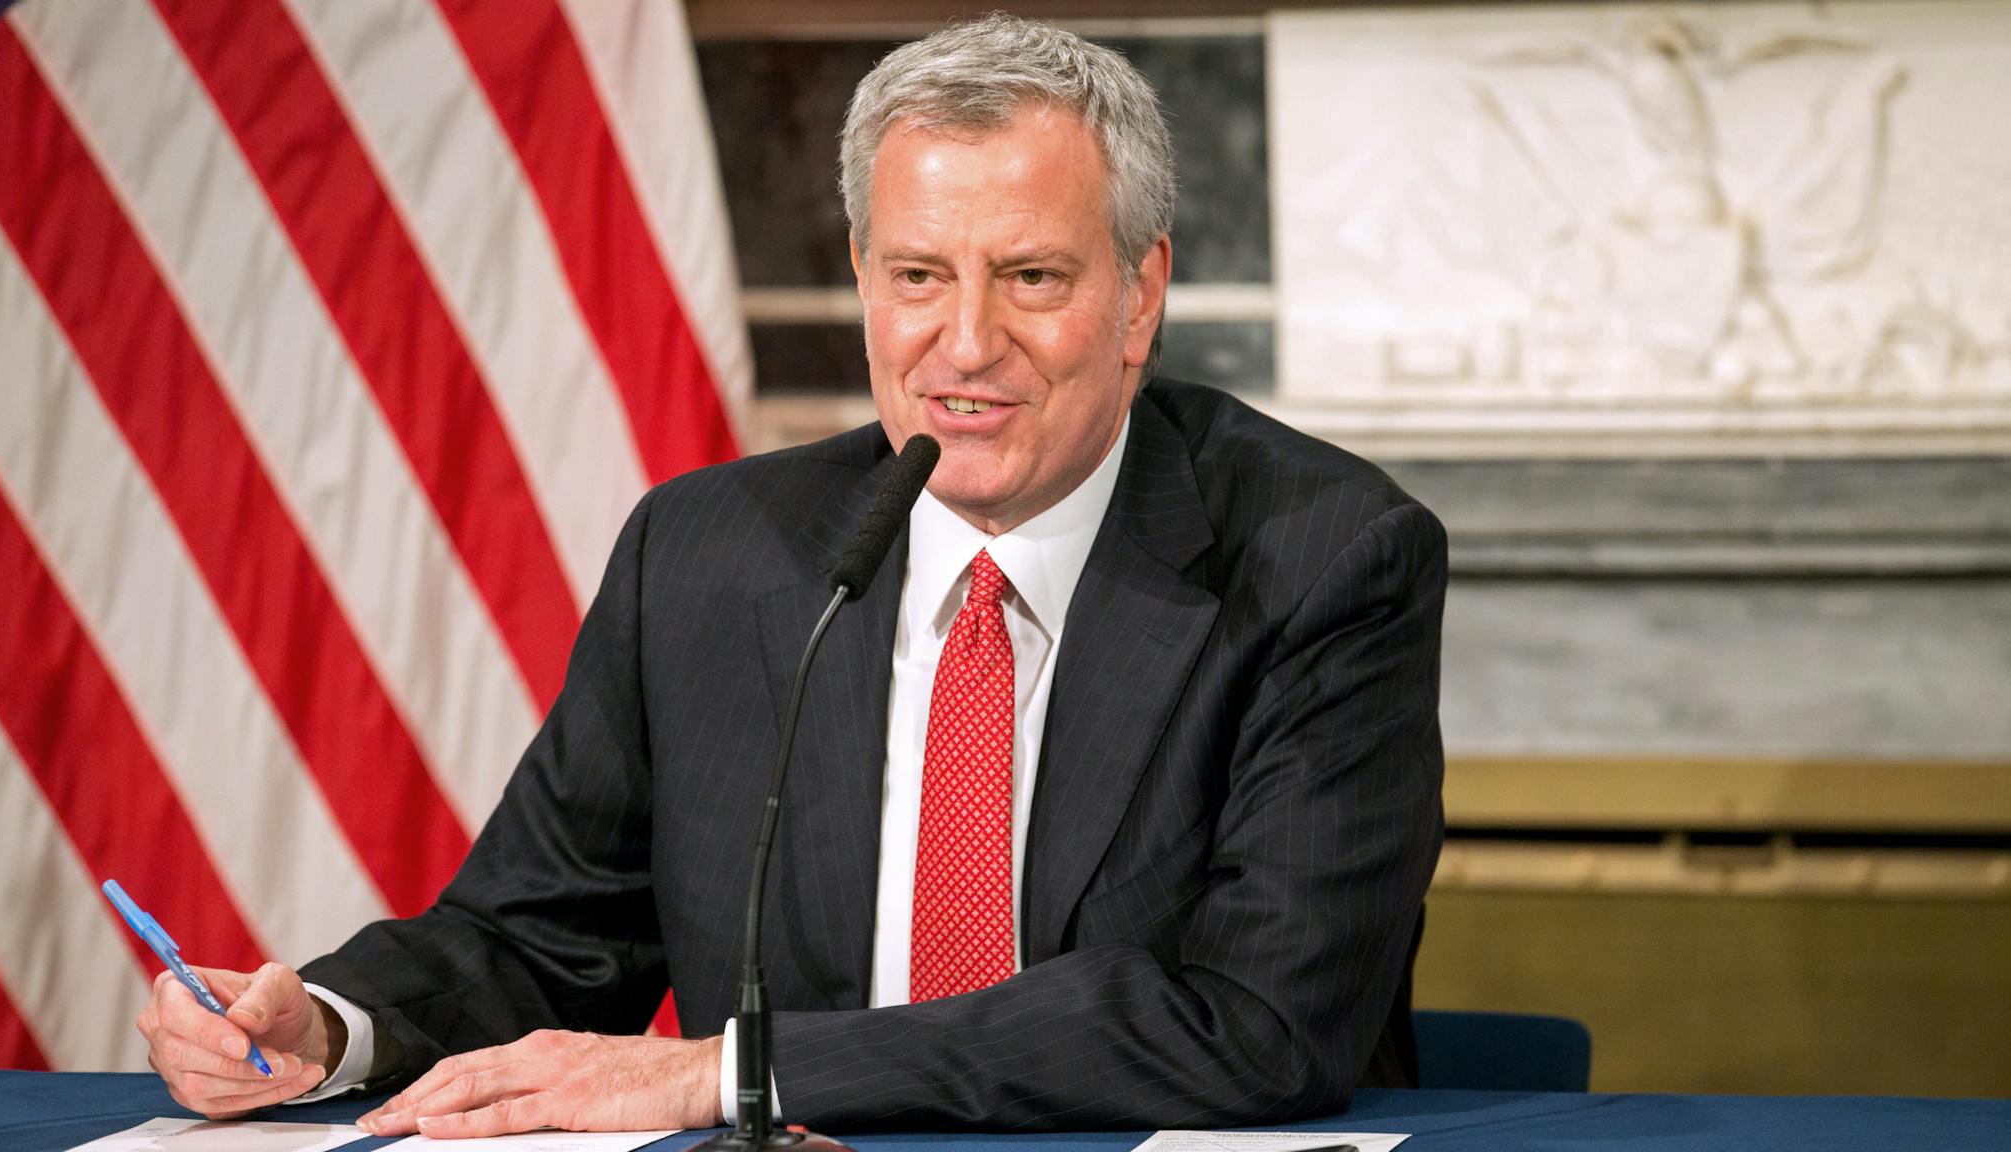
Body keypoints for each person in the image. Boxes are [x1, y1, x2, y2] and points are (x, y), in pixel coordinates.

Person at [135, 14, 1445, 1137]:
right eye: (919, 276)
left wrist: (735, 1073)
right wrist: (327, 1024)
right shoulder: (708, 554)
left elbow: (1263, 1020)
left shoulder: (1327, 560)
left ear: (1140, 295)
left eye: (1033, 278)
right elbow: (545, 937)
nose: (966, 342)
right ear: (866, 282)